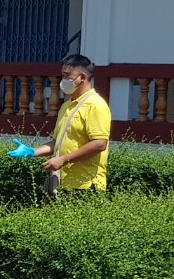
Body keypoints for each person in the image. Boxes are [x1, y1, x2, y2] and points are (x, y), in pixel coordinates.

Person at [7, 54, 112, 194]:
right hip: (64, 182)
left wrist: (63, 160)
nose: (63, 80)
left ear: (82, 77)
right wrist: (32, 151)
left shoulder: (96, 105)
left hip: (86, 185)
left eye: (67, 76)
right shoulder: (67, 105)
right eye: (63, 75)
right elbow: (58, 142)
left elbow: (99, 143)